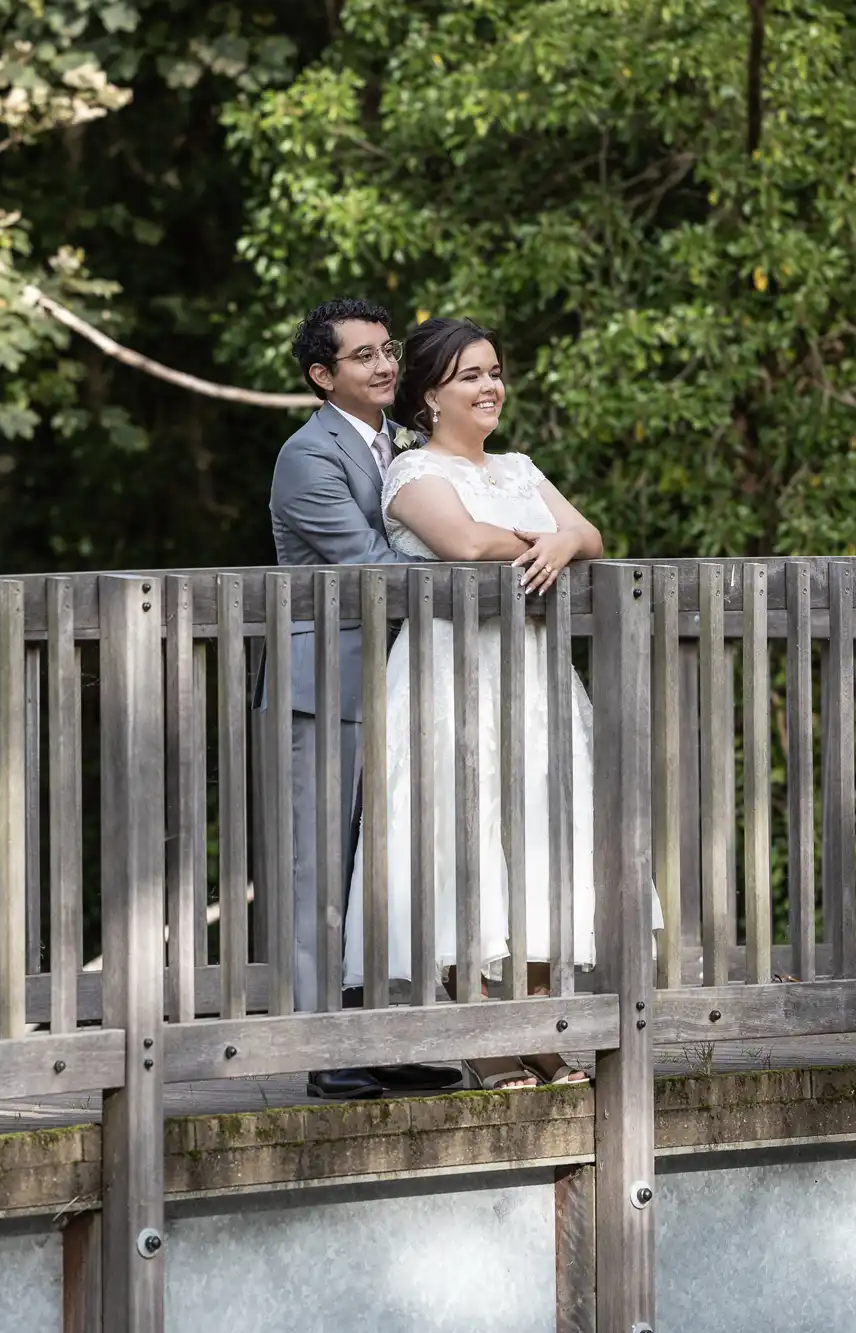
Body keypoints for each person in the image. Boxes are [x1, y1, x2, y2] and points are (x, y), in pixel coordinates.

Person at [339, 316, 664, 1090]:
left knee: (544, 836)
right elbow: (463, 543)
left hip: (533, 674)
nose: (489, 388)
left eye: (493, 372)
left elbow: (585, 528)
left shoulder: (519, 463)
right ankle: (484, 1039)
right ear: (428, 395)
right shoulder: (413, 474)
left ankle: (542, 1033)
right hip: (451, 674)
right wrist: (544, 539)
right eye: (469, 376)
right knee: (460, 841)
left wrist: (565, 540)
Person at [265, 298, 469, 1100]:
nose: (386, 366)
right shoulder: (306, 456)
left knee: (389, 868)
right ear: (323, 375)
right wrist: (482, 561)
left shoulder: (405, 449)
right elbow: (374, 564)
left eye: (388, 351)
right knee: (321, 873)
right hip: (327, 689)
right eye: (364, 357)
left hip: (403, 684)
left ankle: (389, 1034)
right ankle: (327, 1048)